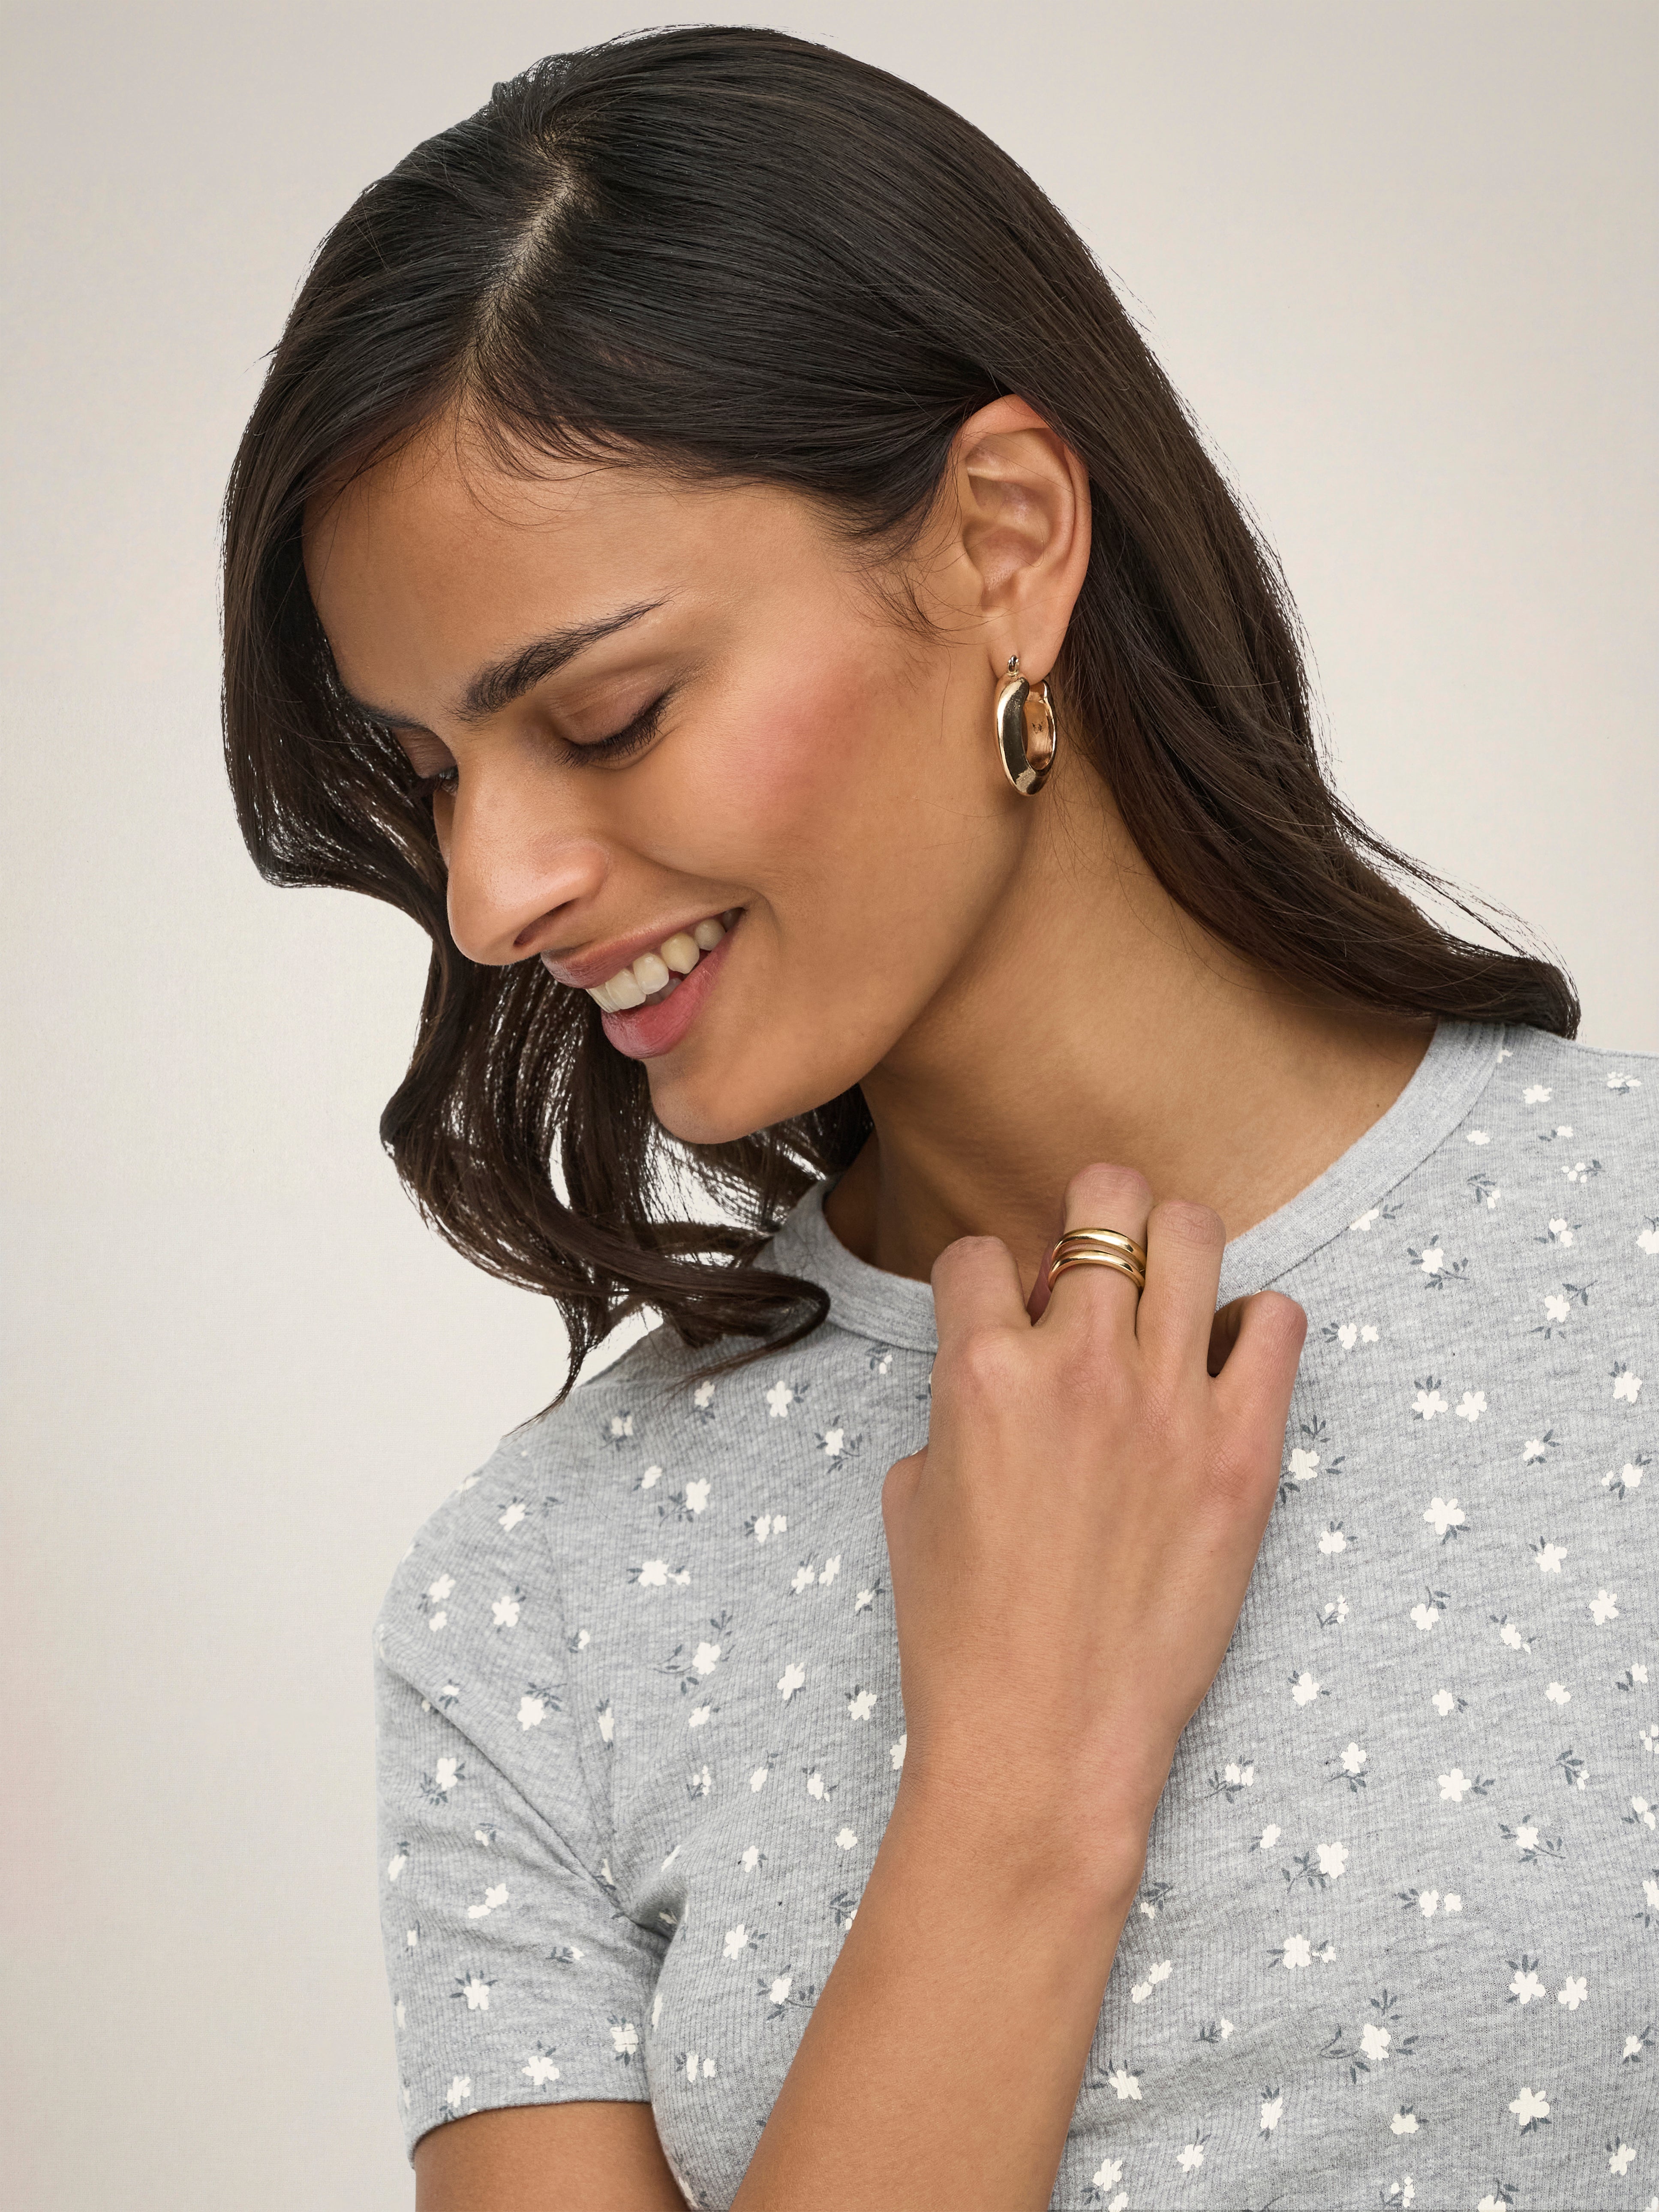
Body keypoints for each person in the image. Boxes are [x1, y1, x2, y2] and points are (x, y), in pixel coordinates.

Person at [220, 24, 1658, 2212]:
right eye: (430, 778)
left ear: (1004, 541)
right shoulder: (545, 1599)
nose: (491, 895)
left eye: (606, 714)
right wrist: (1016, 1791)